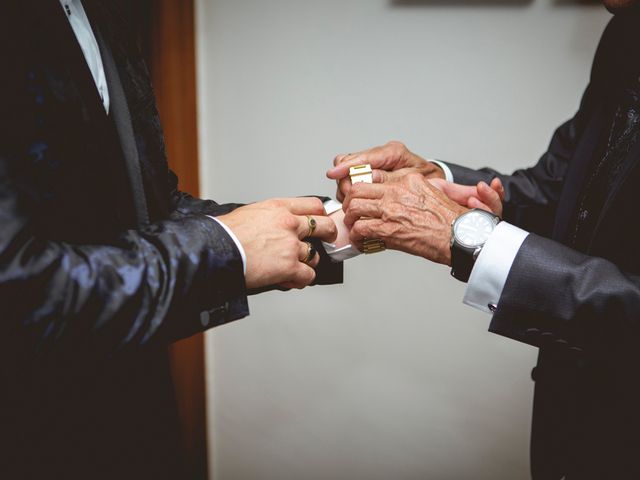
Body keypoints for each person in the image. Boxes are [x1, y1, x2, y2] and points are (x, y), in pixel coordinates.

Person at [0, 1, 343, 478]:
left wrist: (336, 223)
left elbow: (151, 206)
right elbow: (20, 290)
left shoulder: (106, 15)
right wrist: (230, 249)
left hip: (133, 404)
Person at [329, 2, 640, 479]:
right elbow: (558, 190)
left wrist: (467, 238)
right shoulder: (624, 35)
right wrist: (440, 182)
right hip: (566, 423)